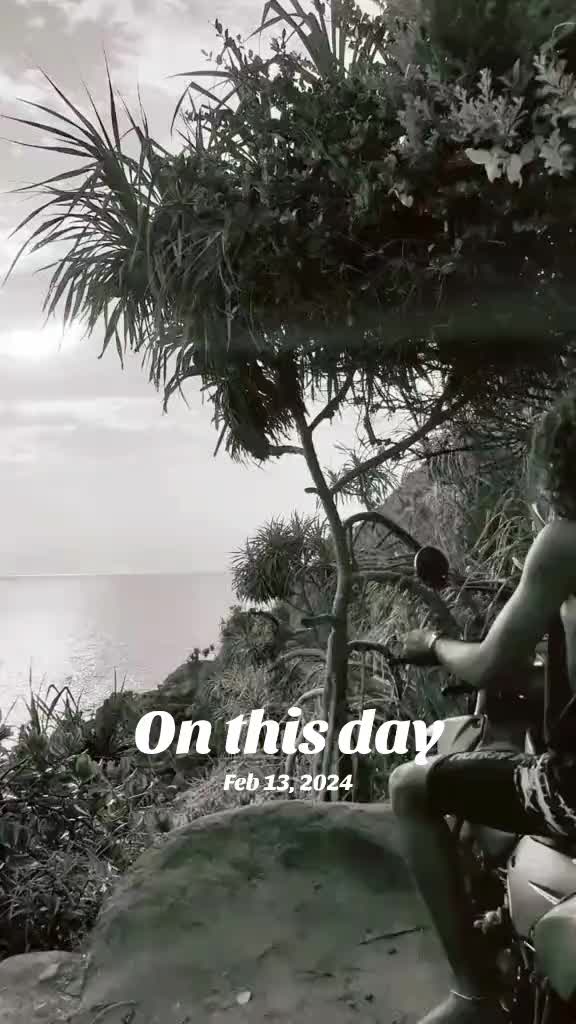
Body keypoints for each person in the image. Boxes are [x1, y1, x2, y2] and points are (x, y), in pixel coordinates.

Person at [389, 390, 576, 1024]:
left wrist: (432, 646)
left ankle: (471, 994)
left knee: (409, 787)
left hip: (574, 791)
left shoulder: (564, 542)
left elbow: (492, 664)